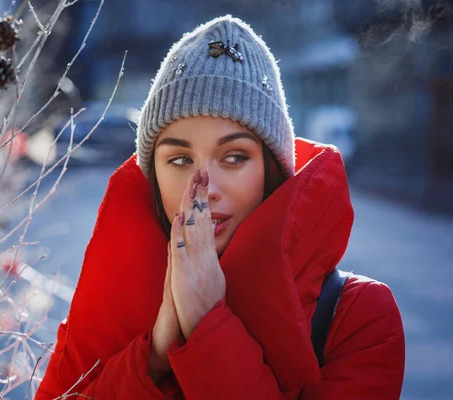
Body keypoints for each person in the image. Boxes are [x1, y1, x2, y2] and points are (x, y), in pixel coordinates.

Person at [35, 15, 405, 399]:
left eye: (233, 157)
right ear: (153, 175)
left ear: (271, 169)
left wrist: (207, 324)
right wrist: (155, 355)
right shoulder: (104, 310)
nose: (204, 187)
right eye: (179, 160)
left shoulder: (356, 318)